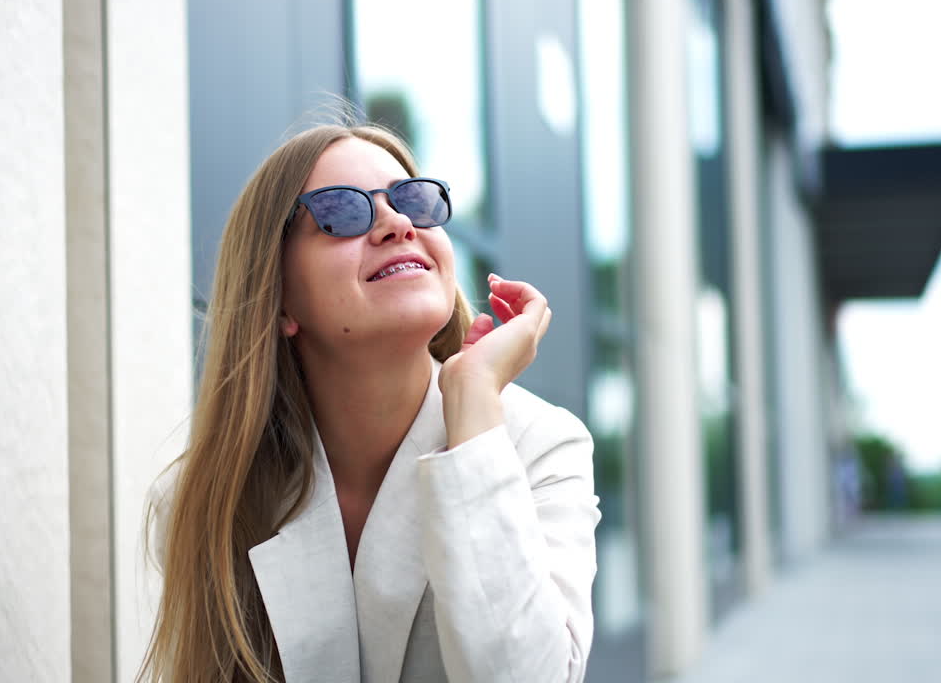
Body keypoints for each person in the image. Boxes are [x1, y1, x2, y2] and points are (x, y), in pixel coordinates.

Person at [140, 120, 601, 683]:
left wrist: (474, 405)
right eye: (340, 212)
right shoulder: (208, 502)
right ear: (280, 300)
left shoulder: (542, 446)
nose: (397, 223)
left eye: (414, 200)